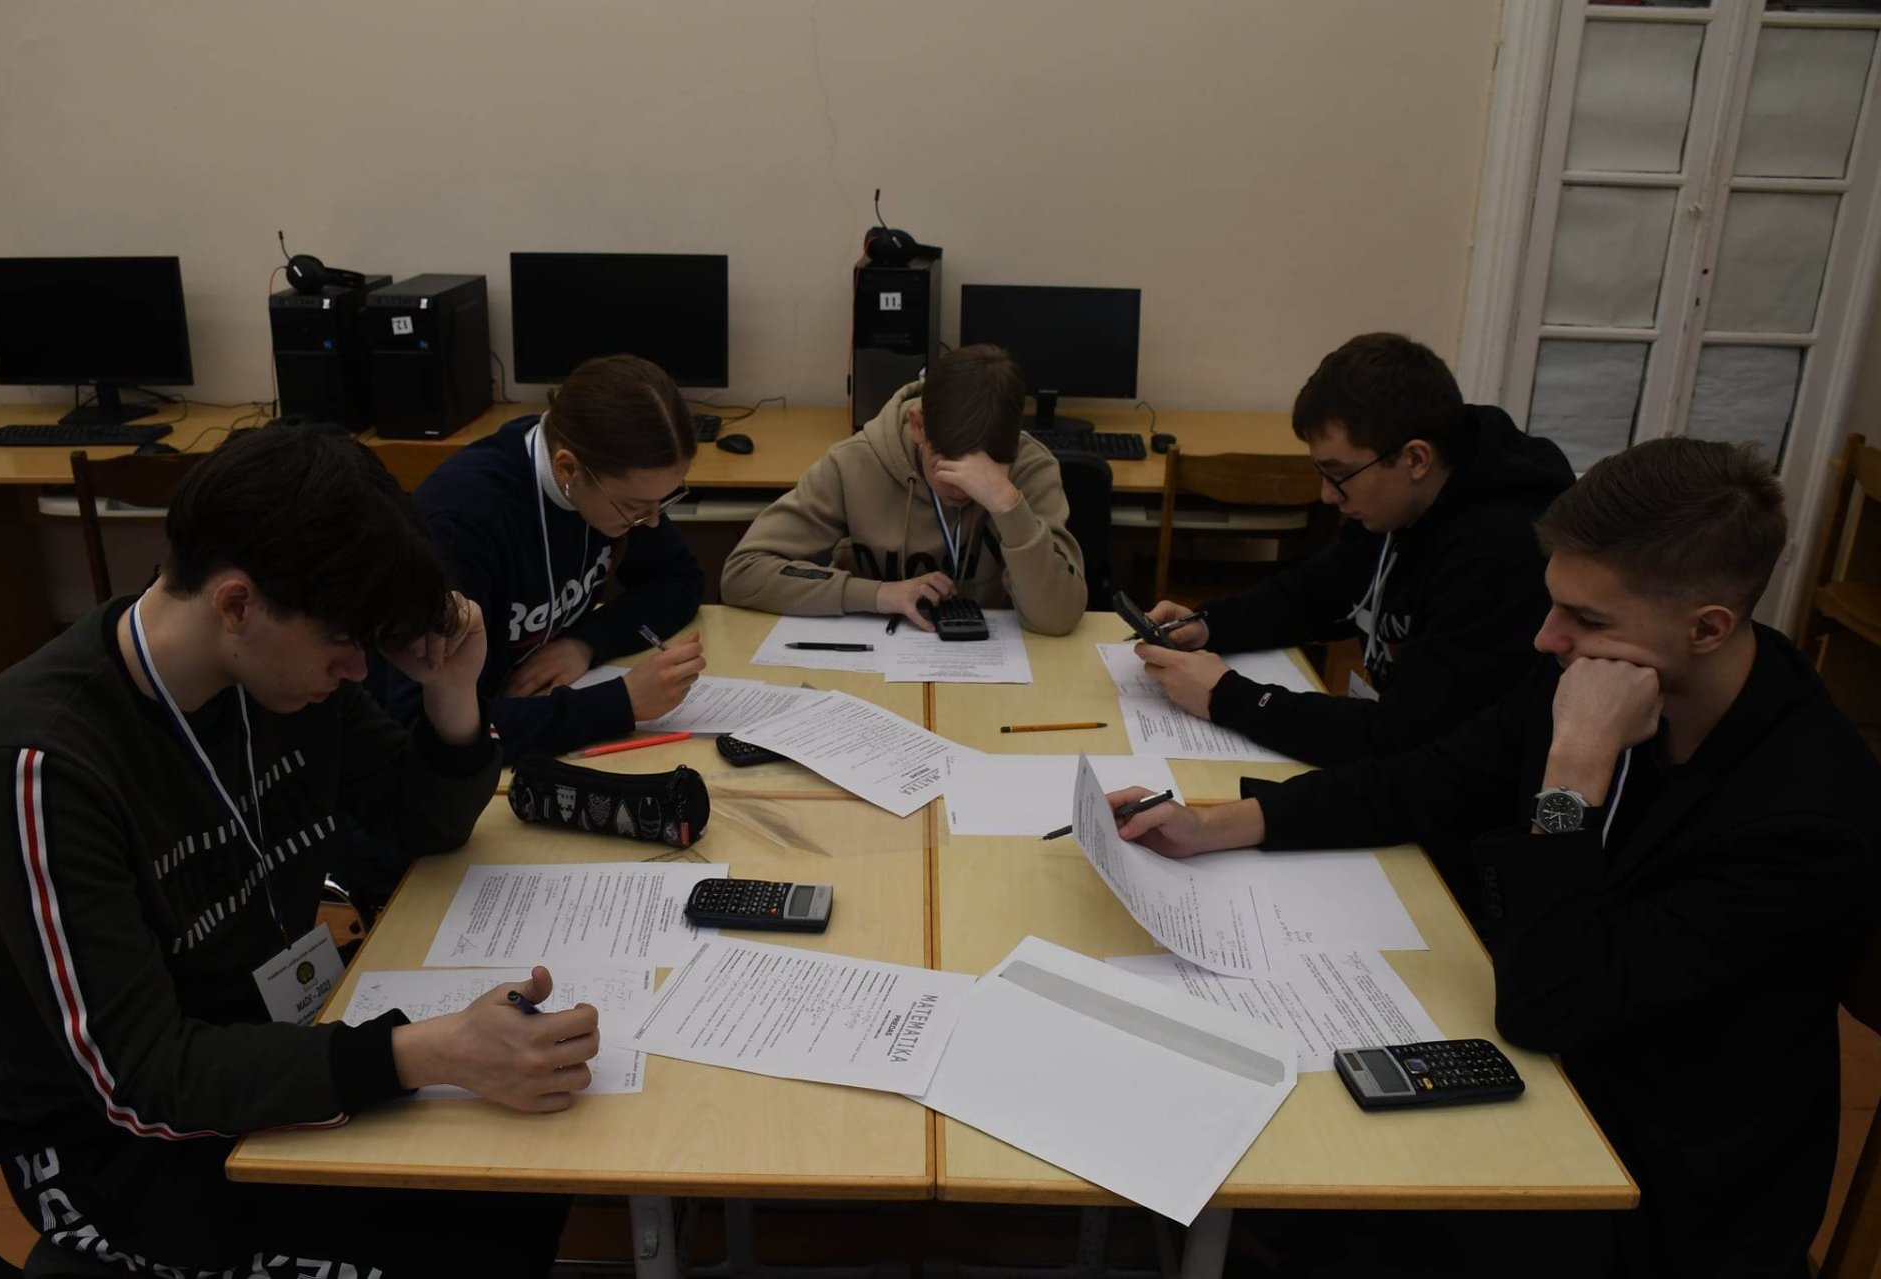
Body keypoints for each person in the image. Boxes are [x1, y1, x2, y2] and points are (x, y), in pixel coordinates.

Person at [1110, 439, 1880, 1278]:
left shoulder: (1807, 812)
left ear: (1708, 628)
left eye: (1587, 618)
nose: (1547, 638)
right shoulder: (1603, 669)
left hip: (1655, 1187)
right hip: (1554, 1079)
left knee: (1301, 1176)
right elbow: (1431, 779)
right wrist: (1218, 824)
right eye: (1555, 604)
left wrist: (1573, 773)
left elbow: (1553, 1003)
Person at [0, 424, 591, 1275]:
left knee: (524, 1179)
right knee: (477, 1222)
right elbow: (141, 1076)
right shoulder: (40, 764)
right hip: (124, 1152)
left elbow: (421, 820)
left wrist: (453, 692)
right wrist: (425, 1052)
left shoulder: (277, 676)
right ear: (236, 604)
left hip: (270, 1046)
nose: (359, 669)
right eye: (342, 643)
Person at [1137, 332, 1574, 765]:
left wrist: (1224, 695)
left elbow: (1400, 734)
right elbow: (1319, 589)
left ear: (1416, 459)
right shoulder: (1399, 502)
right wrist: (1209, 624)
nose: (1327, 495)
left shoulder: (1500, 554)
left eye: (1339, 474)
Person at [384, 353, 707, 763]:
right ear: (567, 468)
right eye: (634, 506)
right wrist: (619, 704)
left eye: (663, 500)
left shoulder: (602, 482)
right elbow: (422, 725)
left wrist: (585, 643)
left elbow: (680, 580)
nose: (652, 520)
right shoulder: (461, 523)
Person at [720, 344, 1088, 635]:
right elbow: (743, 573)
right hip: (875, 656)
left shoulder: (1031, 468)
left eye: (987, 472)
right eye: (948, 463)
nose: (966, 485)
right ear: (919, 427)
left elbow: (1058, 618)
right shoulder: (854, 463)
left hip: (995, 666)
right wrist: (876, 594)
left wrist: (1008, 504)